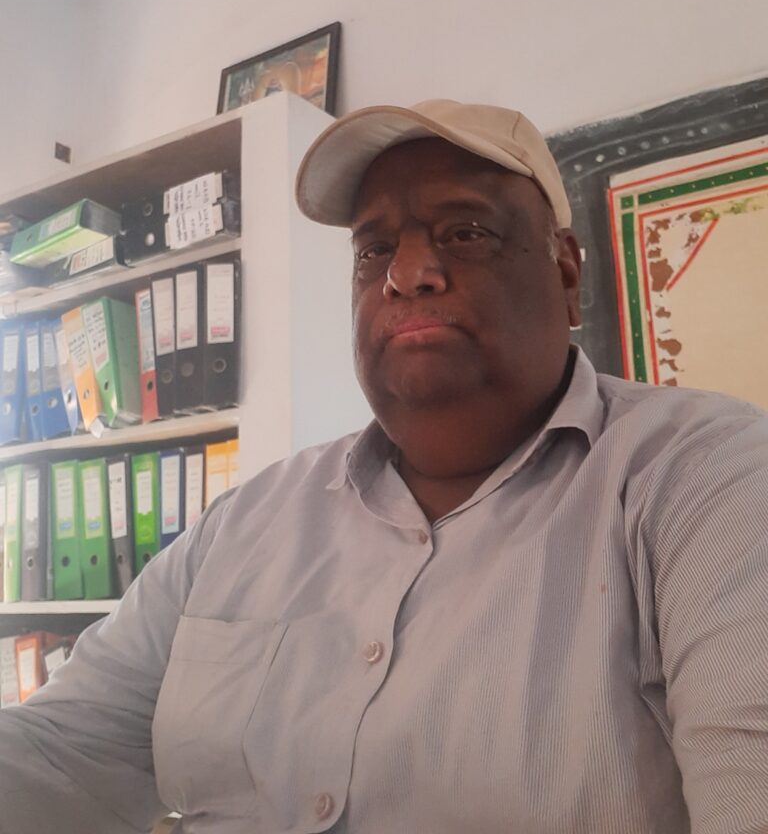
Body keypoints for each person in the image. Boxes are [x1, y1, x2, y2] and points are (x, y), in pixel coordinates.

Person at [1, 99, 768, 834]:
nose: (408, 273)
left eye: (465, 232)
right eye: (374, 251)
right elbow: (66, 754)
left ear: (567, 273)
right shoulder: (246, 521)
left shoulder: (706, 475)